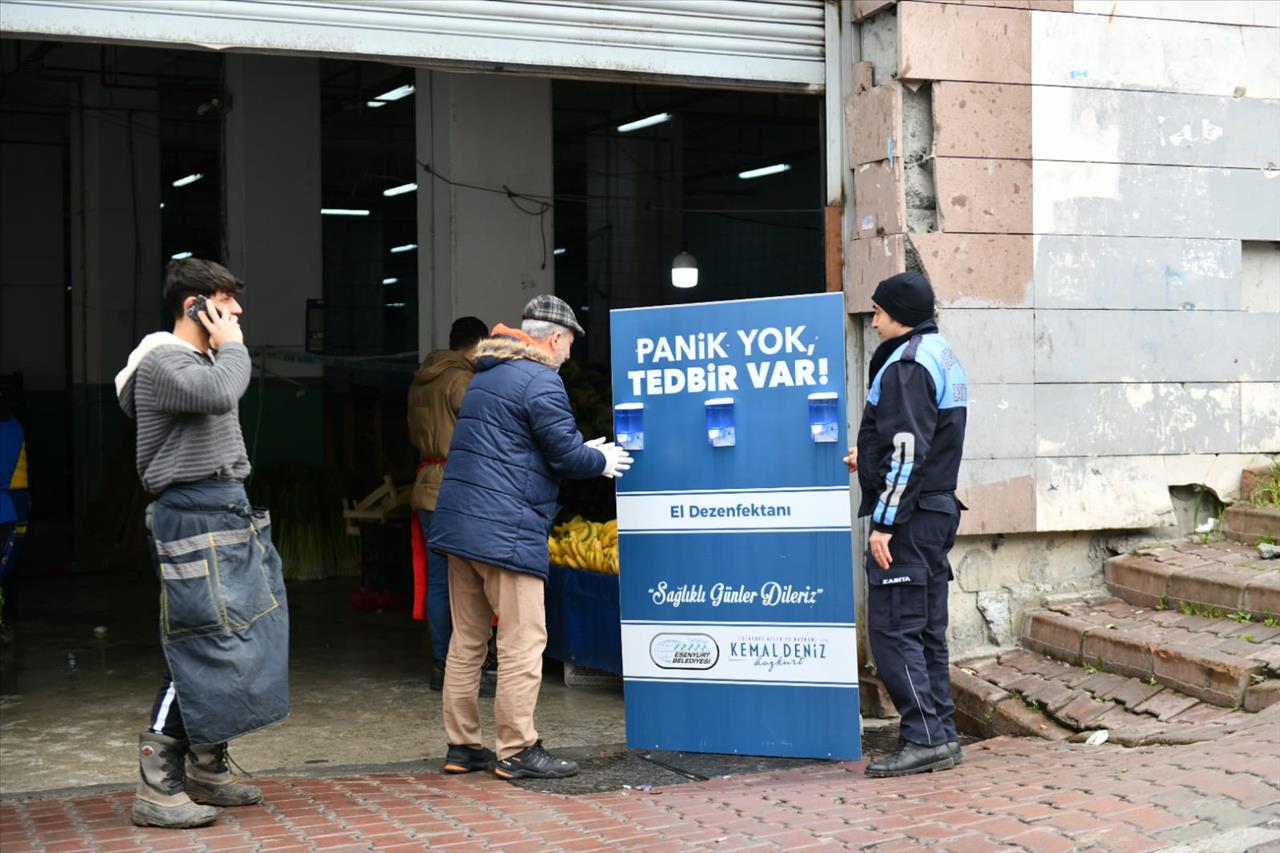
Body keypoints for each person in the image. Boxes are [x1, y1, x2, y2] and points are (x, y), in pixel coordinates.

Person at [428, 295, 632, 779]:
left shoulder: (488, 373)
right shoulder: (540, 379)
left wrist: (578, 450)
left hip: (461, 526)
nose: (569, 356)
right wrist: (600, 461)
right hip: (506, 531)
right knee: (524, 640)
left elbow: (517, 446)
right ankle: (517, 748)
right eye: (570, 345)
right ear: (556, 338)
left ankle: (463, 746)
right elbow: (564, 455)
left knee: (468, 640)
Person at [116, 259, 288, 828]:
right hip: (192, 519)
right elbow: (217, 394)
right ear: (197, 306)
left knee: (236, 639)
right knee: (199, 643)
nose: (237, 312)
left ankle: (206, 766)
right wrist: (233, 345)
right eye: (226, 300)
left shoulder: (198, 360)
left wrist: (225, 347)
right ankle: (156, 784)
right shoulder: (164, 360)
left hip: (223, 511)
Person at [844, 270, 968, 778]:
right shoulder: (940, 355)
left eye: (877, 312)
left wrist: (885, 524)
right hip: (936, 509)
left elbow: (908, 448)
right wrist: (868, 460)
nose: (873, 323)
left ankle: (924, 738)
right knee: (926, 630)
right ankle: (942, 734)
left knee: (894, 630)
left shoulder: (908, 366)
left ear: (899, 314)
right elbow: (921, 442)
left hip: (911, 519)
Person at [407, 315, 489, 691]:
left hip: (427, 484)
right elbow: (483, 429)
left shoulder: (422, 380)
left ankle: (442, 664)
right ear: (478, 343)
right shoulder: (462, 379)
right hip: (458, 486)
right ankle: (470, 665)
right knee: (472, 579)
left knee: (438, 580)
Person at [0, 393, 29, 642]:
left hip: (9, 505)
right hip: (13, 508)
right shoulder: (14, 426)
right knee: (9, 569)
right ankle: (6, 622)